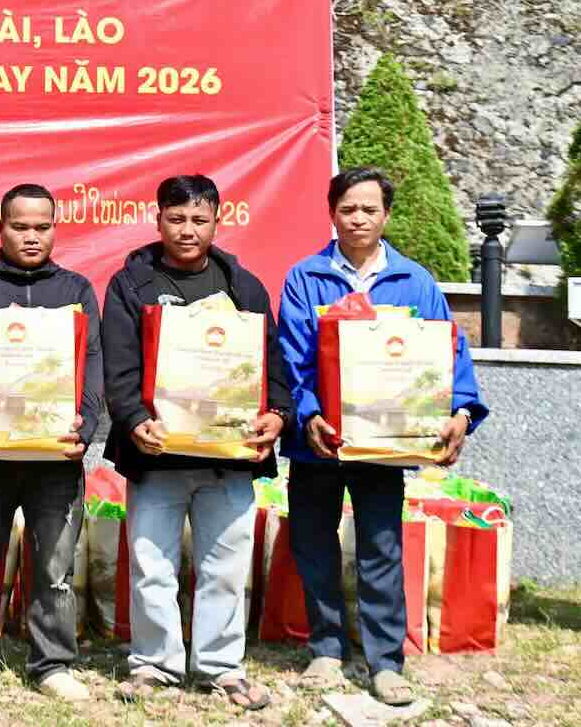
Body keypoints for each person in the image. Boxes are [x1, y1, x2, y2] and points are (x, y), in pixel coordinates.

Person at [278, 167, 487, 706]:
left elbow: (449, 355)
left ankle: (385, 662)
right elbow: (292, 358)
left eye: (370, 209)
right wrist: (306, 416)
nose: (359, 218)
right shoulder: (305, 277)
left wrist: (459, 415)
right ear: (332, 213)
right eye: (349, 208)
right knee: (315, 543)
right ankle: (325, 649)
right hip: (319, 442)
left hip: (387, 445)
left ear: (386, 215)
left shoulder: (416, 281)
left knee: (381, 547)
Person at [101, 174, 291, 710]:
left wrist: (278, 413)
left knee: (225, 568)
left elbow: (271, 361)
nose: (187, 230)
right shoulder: (130, 284)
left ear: (216, 220)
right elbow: (118, 362)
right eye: (176, 218)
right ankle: (154, 664)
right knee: (151, 564)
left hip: (227, 460)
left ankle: (220, 667)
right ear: (158, 219)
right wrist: (134, 417)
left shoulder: (244, 287)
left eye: (199, 219)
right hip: (156, 454)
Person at [0, 183, 104, 705]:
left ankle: (52, 662)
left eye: (42, 227)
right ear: (0, 228)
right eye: (20, 226)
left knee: (56, 562)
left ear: (55, 229)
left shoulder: (75, 290)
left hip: (55, 457)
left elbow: (93, 364)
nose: (31, 237)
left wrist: (86, 426)